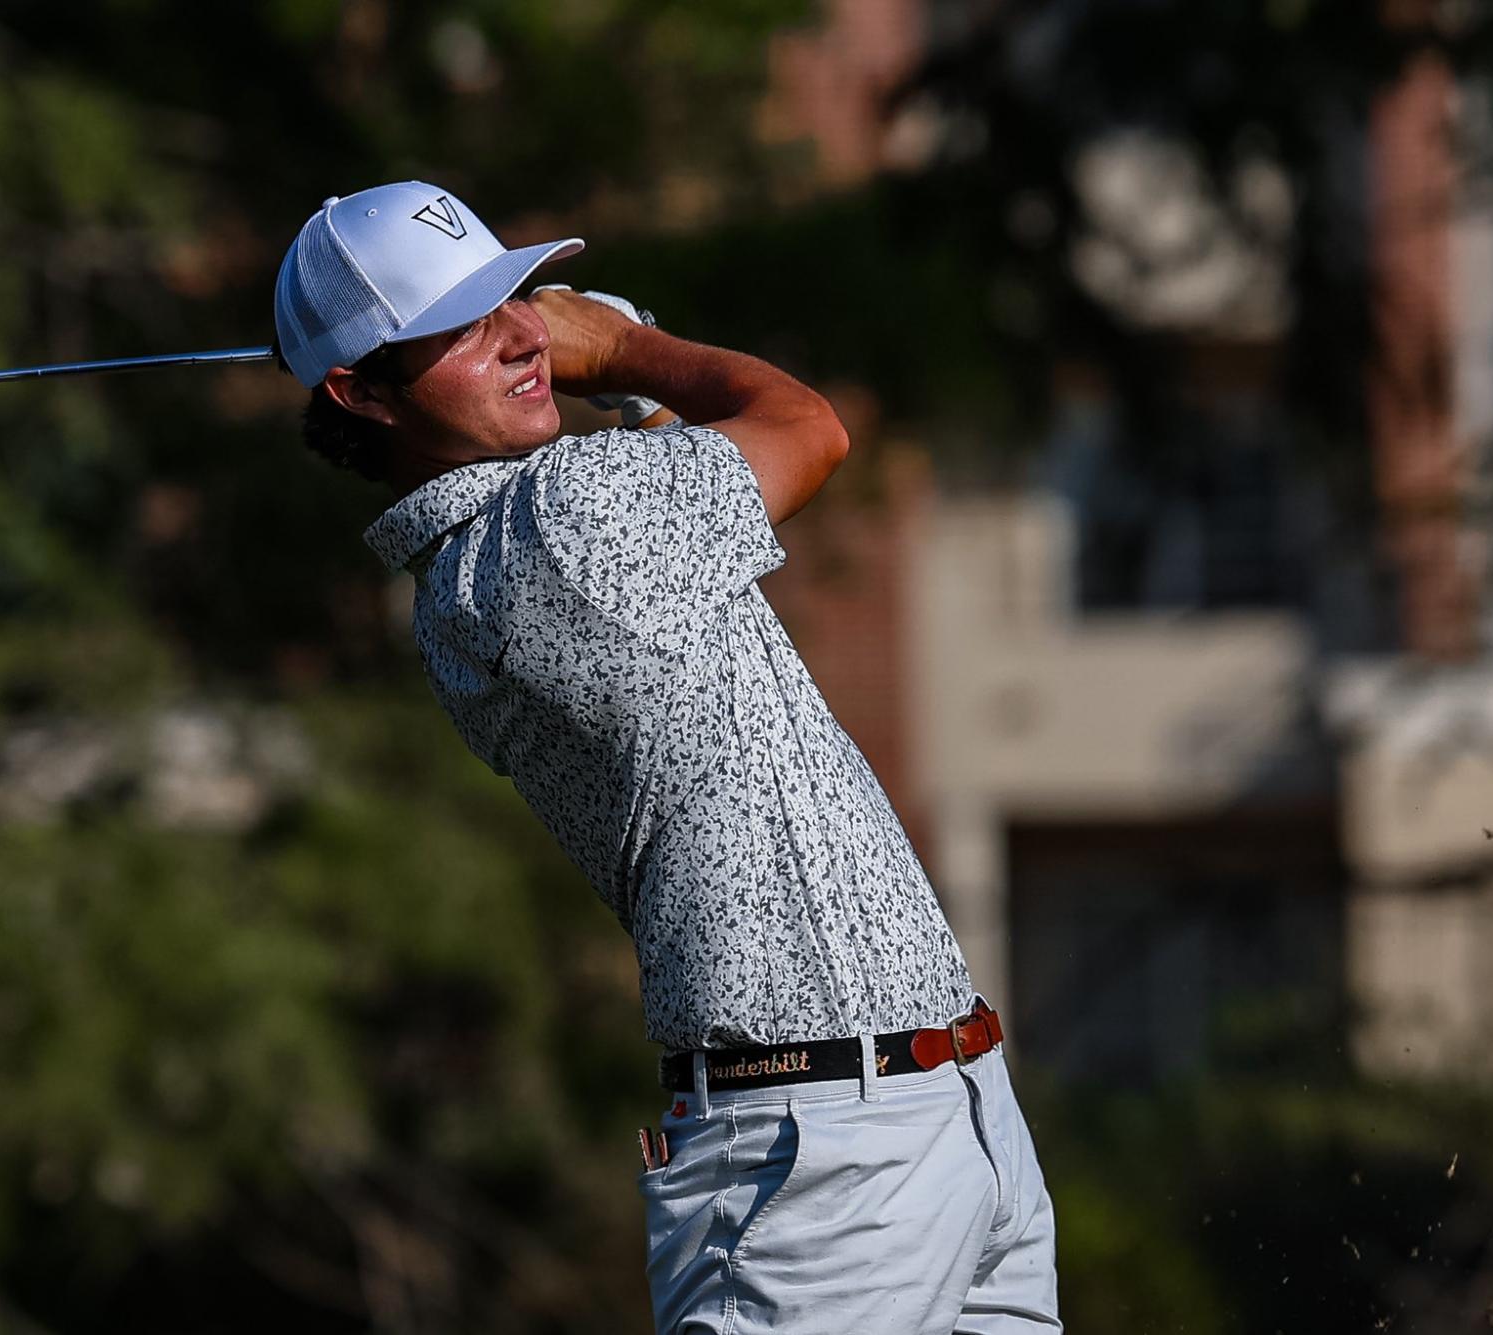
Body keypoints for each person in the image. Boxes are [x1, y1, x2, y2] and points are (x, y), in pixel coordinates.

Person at [273, 181, 1060, 1335]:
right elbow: (808, 429)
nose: (519, 333)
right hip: (819, 1164)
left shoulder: (506, 554)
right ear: (358, 390)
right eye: (464, 324)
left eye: (512, 299)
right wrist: (627, 347)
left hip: (941, 1112)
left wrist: (621, 381)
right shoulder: (553, 535)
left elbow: (677, 478)